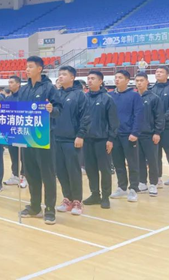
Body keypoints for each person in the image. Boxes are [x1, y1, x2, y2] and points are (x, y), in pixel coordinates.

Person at [18, 56, 62, 225]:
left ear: (39, 69)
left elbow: (59, 108)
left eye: (30, 66)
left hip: (44, 138)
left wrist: (52, 109)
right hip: (27, 137)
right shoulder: (24, 89)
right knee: (31, 174)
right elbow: (17, 109)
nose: (27, 69)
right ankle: (35, 207)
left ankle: (50, 210)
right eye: (26, 67)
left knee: (48, 175)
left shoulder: (49, 88)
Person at [54, 66, 89, 216]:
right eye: (59, 74)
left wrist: (80, 135)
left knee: (73, 171)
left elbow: (85, 117)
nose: (60, 77)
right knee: (61, 171)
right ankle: (67, 199)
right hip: (56, 139)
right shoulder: (55, 94)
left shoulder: (79, 95)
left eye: (64, 74)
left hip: (72, 139)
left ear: (72, 77)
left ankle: (77, 201)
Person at [83, 70, 119, 210]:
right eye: (88, 78)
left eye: (93, 78)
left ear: (100, 81)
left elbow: (113, 121)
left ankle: (105, 196)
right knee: (90, 169)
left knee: (105, 170)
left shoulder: (107, 98)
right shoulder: (84, 98)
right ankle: (94, 194)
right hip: (87, 140)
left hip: (102, 140)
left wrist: (111, 139)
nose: (89, 80)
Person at [109, 70, 143, 202]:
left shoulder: (134, 95)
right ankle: (121, 187)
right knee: (118, 163)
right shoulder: (110, 95)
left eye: (120, 77)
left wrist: (135, 132)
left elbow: (138, 115)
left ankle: (133, 188)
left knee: (132, 162)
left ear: (127, 80)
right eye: (116, 77)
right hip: (114, 135)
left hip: (128, 134)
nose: (117, 80)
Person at [150, 66, 169, 190]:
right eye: (157, 72)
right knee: (155, 155)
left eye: (161, 72)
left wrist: (161, 119)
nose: (158, 73)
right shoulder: (152, 89)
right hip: (154, 129)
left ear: (167, 75)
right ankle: (157, 178)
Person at [135, 73, 165, 197]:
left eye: (141, 80)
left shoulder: (154, 98)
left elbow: (159, 117)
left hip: (150, 134)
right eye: (137, 80)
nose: (139, 83)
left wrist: (157, 132)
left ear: (147, 81)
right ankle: (142, 182)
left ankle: (153, 183)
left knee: (152, 160)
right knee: (139, 160)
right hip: (136, 134)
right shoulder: (134, 97)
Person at [3, 75, 27, 188]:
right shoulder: (8, 99)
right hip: (12, 132)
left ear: (18, 84)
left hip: (23, 131)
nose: (9, 84)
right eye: (9, 82)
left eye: (12, 82)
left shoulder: (25, 97)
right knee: (13, 155)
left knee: (23, 156)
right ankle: (15, 175)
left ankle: (24, 177)